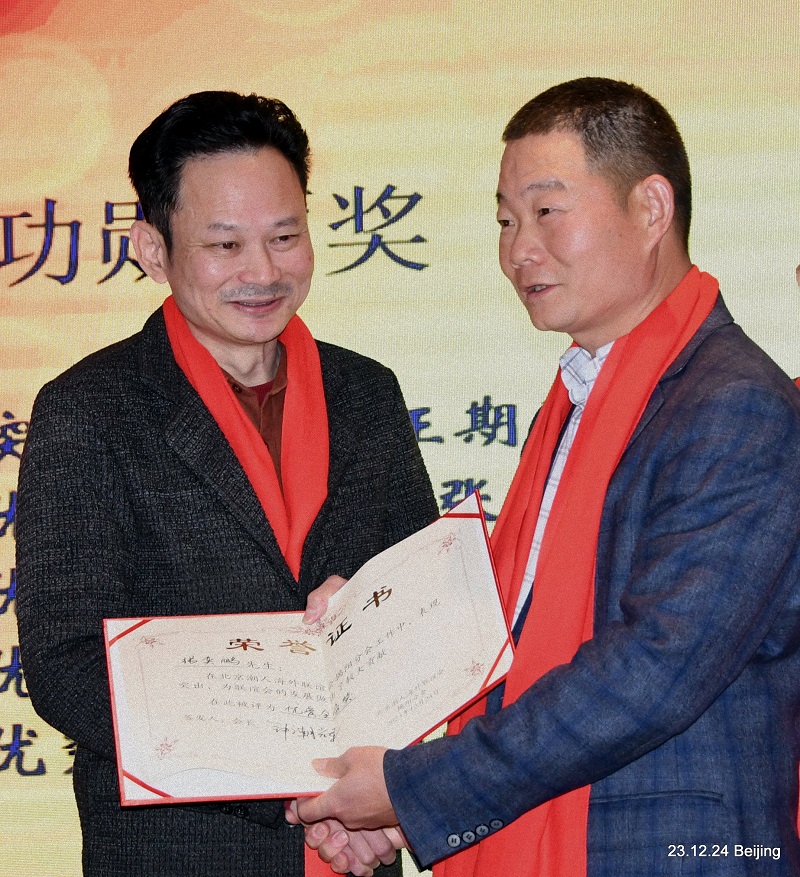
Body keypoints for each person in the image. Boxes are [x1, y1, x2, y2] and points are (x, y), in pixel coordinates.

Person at [292, 78, 800, 876]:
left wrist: (413, 789)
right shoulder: (574, 403)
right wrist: (368, 622)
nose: (517, 249)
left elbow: (655, 669)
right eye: (505, 220)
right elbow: (514, 642)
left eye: (547, 210)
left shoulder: (736, 406)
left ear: (651, 208)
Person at [15, 90, 437, 877]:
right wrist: (297, 789)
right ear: (152, 248)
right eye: (225, 244)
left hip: (360, 847)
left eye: (285, 236)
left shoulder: (366, 393)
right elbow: (67, 663)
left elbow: (424, 608)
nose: (263, 272)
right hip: (183, 852)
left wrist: (397, 788)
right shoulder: (89, 409)